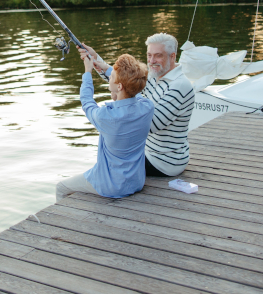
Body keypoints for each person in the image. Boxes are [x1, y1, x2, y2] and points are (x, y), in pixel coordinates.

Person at [77, 32, 195, 178]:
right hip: (146, 152)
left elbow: (147, 124)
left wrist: (118, 105)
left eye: (158, 55)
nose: (152, 61)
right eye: (149, 55)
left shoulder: (179, 86)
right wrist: (96, 60)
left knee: (110, 159)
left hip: (164, 162)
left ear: (172, 56)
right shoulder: (154, 75)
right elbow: (127, 86)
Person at [56, 53, 154, 202]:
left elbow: (87, 102)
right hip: (136, 182)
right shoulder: (147, 107)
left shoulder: (106, 116)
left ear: (119, 86)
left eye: (113, 76)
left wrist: (87, 72)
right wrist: (107, 69)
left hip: (110, 186)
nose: (111, 77)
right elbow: (133, 92)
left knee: (61, 187)